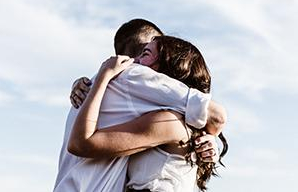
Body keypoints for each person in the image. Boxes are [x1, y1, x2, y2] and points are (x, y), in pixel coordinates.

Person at [53, 19, 225, 192]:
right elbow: (216, 115)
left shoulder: (100, 84)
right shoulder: (135, 77)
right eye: (148, 49)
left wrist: (209, 139)